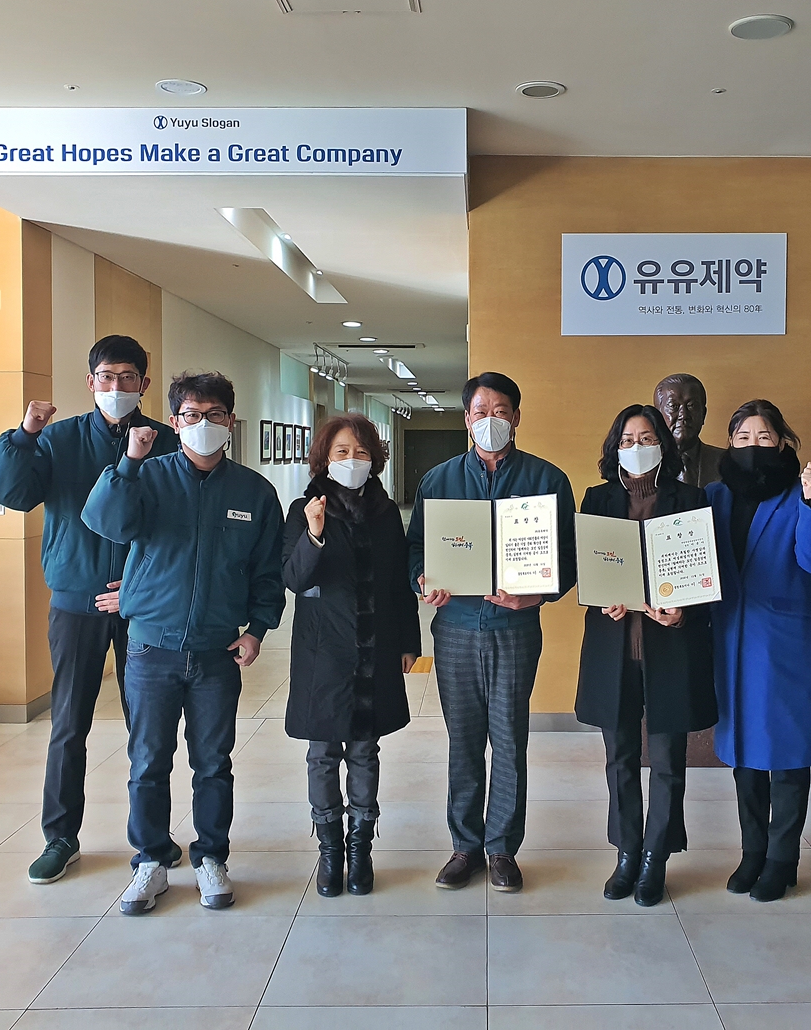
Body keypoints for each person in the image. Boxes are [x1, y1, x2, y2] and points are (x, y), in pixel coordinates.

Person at [82, 371, 285, 915]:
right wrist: (129, 460)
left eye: (214, 415)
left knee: (213, 761)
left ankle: (211, 856)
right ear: (175, 421)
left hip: (217, 651)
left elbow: (267, 571)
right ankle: (150, 860)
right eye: (192, 415)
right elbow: (105, 522)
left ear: (231, 421)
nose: (203, 424)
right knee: (148, 760)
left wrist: (257, 629)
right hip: (152, 647)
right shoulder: (147, 476)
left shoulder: (254, 492)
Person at [0, 334, 178, 886]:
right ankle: (60, 837)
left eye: (128, 377)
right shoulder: (58, 439)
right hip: (77, 600)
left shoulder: (165, 440)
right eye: (107, 377)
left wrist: (139, 587)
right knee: (69, 724)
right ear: (90, 382)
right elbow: (10, 493)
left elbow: (178, 524)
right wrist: (24, 435)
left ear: (144, 382)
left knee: (149, 728)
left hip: (143, 606)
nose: (117, 387)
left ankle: (153, 837)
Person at [407, 371, 577, 893]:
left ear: (517, 417)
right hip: (455, 628)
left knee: (509, 739)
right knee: (463, 741)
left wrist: (537, 596)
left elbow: (569, 558)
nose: (490, 421)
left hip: (515, 628)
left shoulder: (548, 480)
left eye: (500, 411)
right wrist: (422, 579)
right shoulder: (438, 481)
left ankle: (502, 848)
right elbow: (416, 549)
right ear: (466, 419)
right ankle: (465, 846)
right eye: (480, 412)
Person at [575, 404, 717, 907]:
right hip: (614, 648)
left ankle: (657, 855)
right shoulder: (597, 499)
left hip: (670, 647)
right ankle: (627, 853)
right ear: (614, 448)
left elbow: (704, 574)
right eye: (627, 440)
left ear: (664, 444)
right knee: (619, 757)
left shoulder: (690, 498)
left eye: (647, 438)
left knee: (668, 760)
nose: (637, 448)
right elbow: (585, 569)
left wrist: (684, 611)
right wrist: (600, 595)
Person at [282, 413, 421, 898]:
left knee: (365, 750)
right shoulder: (304, 509)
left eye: (361, 452)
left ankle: (360, 847)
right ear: (324, 458)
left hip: (376, 649)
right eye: (341, 452)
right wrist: (314, 533)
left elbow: (399, 585)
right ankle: (330, 850)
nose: (352, 460)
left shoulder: (385, 514)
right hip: (322, 652)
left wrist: (408, 642)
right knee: (322, 753)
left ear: (374, 459)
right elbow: (294, 579)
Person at [707, 400, 811, 902]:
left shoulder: (800, 492)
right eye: (743, 437)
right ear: (730, 443)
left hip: (781, 640)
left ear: (782, 442)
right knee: (744, 752)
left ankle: (783, 859)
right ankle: (752, 852)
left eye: (763, 437)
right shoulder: (715, 495)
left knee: (786, 750)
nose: (752, 446)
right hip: (730, 636)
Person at [654, 373, 725, 489]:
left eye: (691, 405)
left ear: (703, 414)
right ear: (657, 415)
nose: (683, 415)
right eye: (673, 406)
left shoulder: (726, 461)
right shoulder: (646, 464)